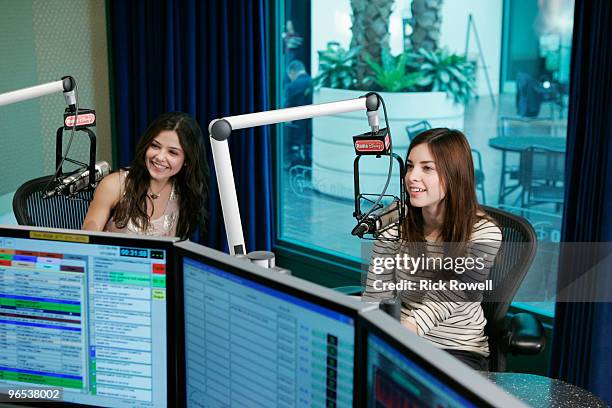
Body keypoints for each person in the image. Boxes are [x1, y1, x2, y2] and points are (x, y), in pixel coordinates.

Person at [363, 128, 502, 371]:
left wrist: (402, 332)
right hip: (401, 336)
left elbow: (451, 295)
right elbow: (378, 290)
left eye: (427, 168)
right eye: (409, 166)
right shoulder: (394, 219)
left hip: (456, 349)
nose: (411, 177)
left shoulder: (485, 233)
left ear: (454, 175)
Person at [82, 112, 209, 240]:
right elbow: (89, 236)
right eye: (155, 146)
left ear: (187, 160)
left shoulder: (185, 193)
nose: (159, 157)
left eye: (172, 152)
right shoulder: (115, 184)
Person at [284, 59, 313, 165]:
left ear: (292, 72)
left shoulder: (292, 86)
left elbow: (288, 105)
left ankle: (296, 164)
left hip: (297, 124)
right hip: (312, 122)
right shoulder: (312, 82)